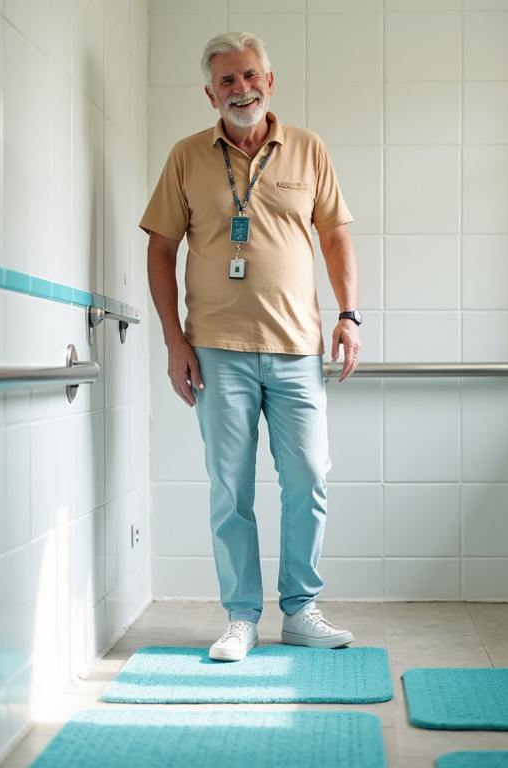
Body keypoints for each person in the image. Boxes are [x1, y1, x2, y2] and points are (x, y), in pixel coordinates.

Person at [140, 31, 362, 662]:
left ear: (270, 82)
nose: (240, 90)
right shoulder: (186, 157)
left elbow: (337, 237)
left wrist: (349, 315)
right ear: (211, 94)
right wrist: (173, 341)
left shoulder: (309, 149)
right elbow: (160, 249)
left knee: (309, 479)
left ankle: (301, 610)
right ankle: (241, 617)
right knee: (229, 489)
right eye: (227, 82)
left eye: (249, 77)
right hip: (216, 349)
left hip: (296, 346)